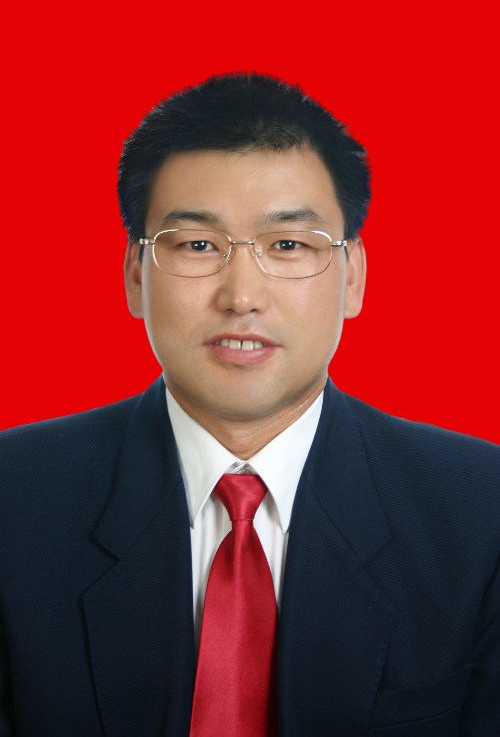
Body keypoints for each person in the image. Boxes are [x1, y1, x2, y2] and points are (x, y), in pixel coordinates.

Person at [0, 73, 498, 737]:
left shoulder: (480, 510)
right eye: (197, 245)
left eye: (288, 245)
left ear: (353, 276)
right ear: (135, 275)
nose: (241, 296)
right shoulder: (13, 497)